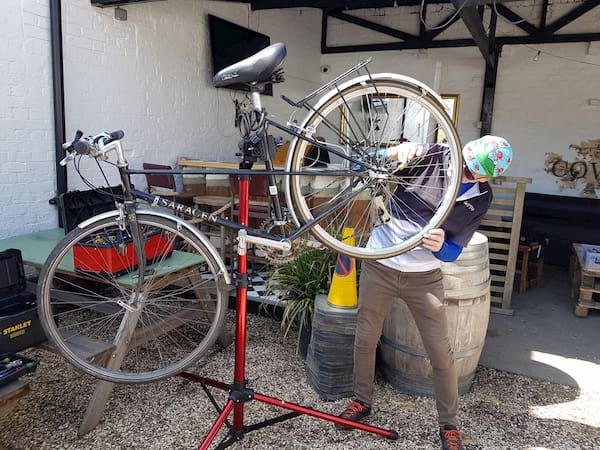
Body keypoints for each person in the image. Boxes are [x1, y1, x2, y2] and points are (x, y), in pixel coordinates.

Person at [337, 136, 513, 450]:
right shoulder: (433, 155)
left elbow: (452, 253)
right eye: (466, 166)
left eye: (475, 174)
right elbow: (360, 166)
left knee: (441, 353)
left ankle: (449, 425)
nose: (466, 175)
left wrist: (441, 246)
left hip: (424, 277)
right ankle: (361, 401)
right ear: (463, 152)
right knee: (365, 337)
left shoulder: (481, 197)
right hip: (381, 263)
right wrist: (392, 153)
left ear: (488, 177)